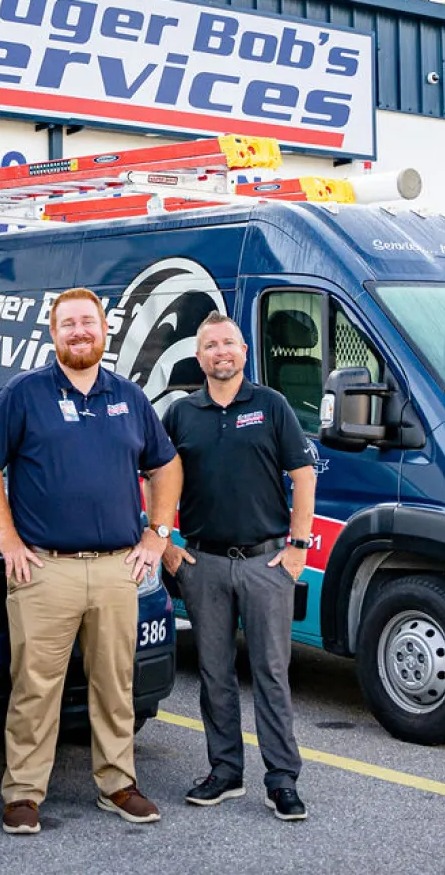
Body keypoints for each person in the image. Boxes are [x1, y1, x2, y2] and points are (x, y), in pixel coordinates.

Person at [0, 287, 183, 835]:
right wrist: (7, 538)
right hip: (45, 569)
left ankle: (118, 783)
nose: (79, 331)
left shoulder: (129, 397)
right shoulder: (24, 393)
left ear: (104, 329)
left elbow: (167, 466)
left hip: (116, 569)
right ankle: (22, 793)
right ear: (53, 332)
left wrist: (157, 535)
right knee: (35, 688)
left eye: (88, 322)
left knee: (115, 685)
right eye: (69, 324)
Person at [161, 310, 316, 821]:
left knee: (271, 672)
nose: (221, 352)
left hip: (265, 563)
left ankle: (281, 780)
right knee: (214, 673)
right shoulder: (183, 413)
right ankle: (224, 771)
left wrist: (298, 546)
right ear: (199, 356)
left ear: (244, 352)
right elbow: (158, 477)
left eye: (229, 343)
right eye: (210, 345)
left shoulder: (271, 406)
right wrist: (165, 543)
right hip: (202, 562)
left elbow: (303, 473)